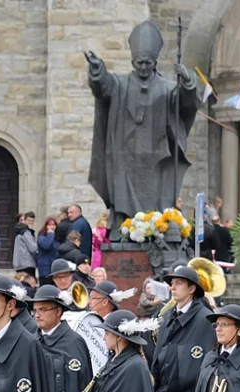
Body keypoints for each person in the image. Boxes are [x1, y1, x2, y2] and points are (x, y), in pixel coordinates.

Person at [84, 22, 202, 239]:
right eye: (139, 63)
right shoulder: (120, 84)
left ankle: (157, 230)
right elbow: (103, 86)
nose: (144, 67)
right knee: (123, 202)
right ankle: (124, 230)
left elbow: (185, 105)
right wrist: (97, 70)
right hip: (125, 158)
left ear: (154, 62)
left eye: (148, 63)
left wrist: (186, 82)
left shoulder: (167, 88)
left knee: (156, 203)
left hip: (157, 159)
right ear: (132, 61)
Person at [13, 212, 38, 277]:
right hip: (27, 263)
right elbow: (33, 248)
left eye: (32, 221)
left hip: (19, 263)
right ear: (24, 220)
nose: (30, 222)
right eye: (29, 220)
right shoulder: (26, 232)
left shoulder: (19, 231)